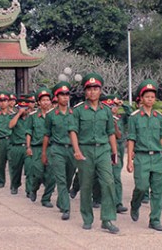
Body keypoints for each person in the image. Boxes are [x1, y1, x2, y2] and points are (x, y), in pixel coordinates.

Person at [68, 73, 119, 234]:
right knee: (86, 184)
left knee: (109, 182)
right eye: (89, 89)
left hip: (103, 149)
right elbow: (73, 131)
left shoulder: (106, 110)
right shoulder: (78, 111)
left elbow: (111, 132)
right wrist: (76, 151)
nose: (92, 92)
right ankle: (87, 218)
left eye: (95, 88)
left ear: (100, 90)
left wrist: (114, 152)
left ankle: (107, 219)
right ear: (85, 91)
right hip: (85, 150)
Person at [127, 79, 162, 232]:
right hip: (142, 157)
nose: (150, 99)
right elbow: (131, 138)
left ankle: (155, 220)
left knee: (158, 191)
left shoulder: (159, 117)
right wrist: (130, 160)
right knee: (141, 187)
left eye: (152, 97)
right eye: (147, 96)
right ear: (141, 98)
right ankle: (135, 204)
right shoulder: (135, 117)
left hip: (158, 157)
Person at [42, 82, 76, 220]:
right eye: (62, 95)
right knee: (61, 179)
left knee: (69, 178)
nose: (65, 97)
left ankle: (61, 200)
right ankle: (66, 208)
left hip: (71, 150)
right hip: (57, 149)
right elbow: (46, 135)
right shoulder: (51, 115)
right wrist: (44, 153)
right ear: (56, 97)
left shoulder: (75, 113)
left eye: (67, 94)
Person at [26, 87, 56, 207]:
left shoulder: (55, 115)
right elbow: (28, 132)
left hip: (51, 148)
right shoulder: (33, 116)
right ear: (38, 102)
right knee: (38, 173)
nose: (45, 102)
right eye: (43, 100)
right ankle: (33, 189)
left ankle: (46, 198)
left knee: (52, 175)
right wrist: (28, 147)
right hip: (37, 148)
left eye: (47, 100)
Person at [0, 91, 15, 188]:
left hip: (11, 141)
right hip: (0, 141)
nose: (2, 103)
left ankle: (14, 184)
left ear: (8, 101)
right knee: (1, 163)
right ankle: (1, 181)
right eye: (0, 100)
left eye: (5, 100)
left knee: (12, 164)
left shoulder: (13, 114)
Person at [8, 99, 30, 195]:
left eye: (25, 108)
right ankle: (15, 185)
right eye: (21, 108)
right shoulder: (13, 117)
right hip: (16, 146)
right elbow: (10, 125)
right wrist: (18, 114)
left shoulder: (31, 118)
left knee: (30, 169)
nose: (23, 110)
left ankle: (29, 190)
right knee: (16, 169)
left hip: (28, 147)